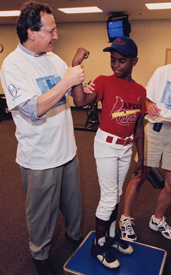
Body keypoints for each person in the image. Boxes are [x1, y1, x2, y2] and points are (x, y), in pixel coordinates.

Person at [0, 1, 89, 274]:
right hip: (40, 157)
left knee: (73, 207)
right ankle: (40, 255)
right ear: (31, 32)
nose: (56, 36)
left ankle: (74, 239)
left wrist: (74, 72)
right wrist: (67, 79)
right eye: (51, 31)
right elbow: (33, 108)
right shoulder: (13, 65)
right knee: (42, 214)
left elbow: (74, 97)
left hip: (67, 151)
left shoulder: (55, 60)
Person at [119, 27, 171, 243]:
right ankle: (125, 218)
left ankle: (157, 218)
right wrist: (149, 104)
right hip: (154, 130)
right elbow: (146, 99)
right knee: (140, 176)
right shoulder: (163, 72)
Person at [71, 37, 147, 270]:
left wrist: (141, 156)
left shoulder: (140, 90)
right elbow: (80, 100)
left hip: (125, 148)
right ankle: (99, 244)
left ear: (134, 61)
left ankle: (112, 237)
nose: (116, 65)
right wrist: (75, 65)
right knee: (108, 197)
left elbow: (138, 125)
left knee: (115, 195)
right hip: (106, 145)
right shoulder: (104, 81)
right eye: (112, 60)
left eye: (122, 61)